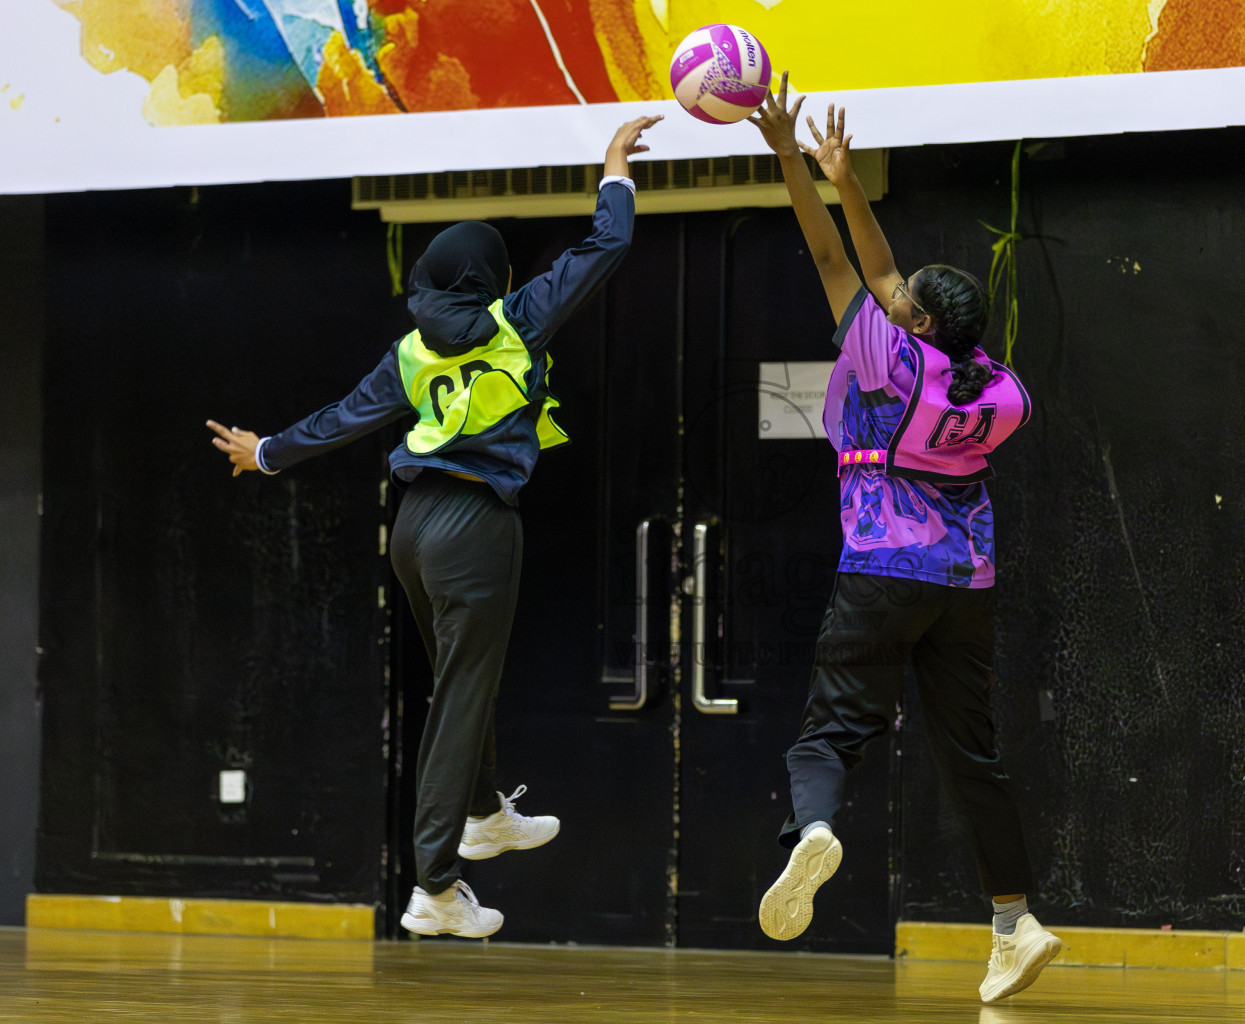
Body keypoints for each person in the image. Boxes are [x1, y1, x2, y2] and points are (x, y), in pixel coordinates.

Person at [207, 113, 663, 939]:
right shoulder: (517, 316)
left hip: (412, 529)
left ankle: (486, 817)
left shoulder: (411, 351)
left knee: (463, 681)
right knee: (460, 694)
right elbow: (604, 250)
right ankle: (436, 887)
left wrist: (268, 451)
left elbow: (344, 418)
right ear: (487, 277)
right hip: (476, 525)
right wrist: (614, 169)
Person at [747, 79, 1059, 1003]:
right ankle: (1014, 922)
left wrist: (795, 162)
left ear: (913, 323)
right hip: (965, 582)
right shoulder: (998, 389)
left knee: (828, 735)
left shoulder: (884, 358)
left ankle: (813, 830)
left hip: (883, 568)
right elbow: (887, 279)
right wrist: (850, 179)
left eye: (905, 297)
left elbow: (831, 258)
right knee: (974, 756)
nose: (893, 288)